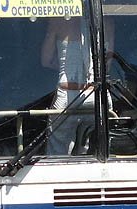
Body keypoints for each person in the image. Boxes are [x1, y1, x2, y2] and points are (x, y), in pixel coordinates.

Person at [41, 16, 115, 155]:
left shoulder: (57, 20)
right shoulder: (107, 21)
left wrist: (64, 67)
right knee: (93, 148)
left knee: (58, 151)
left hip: (68, 93)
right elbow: (107, 64)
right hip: (97, 94)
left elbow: (46, 61)